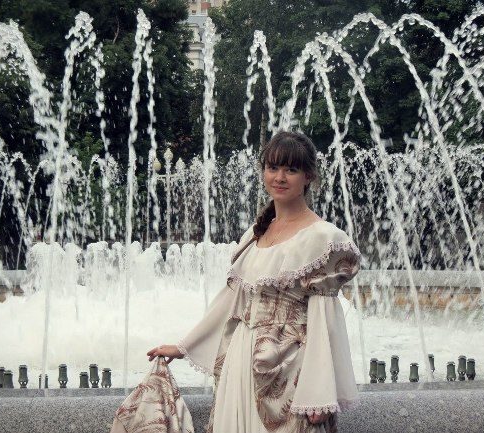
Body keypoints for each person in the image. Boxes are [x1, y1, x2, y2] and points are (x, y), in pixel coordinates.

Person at [114, 131, 361, 433]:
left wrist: (319, 394)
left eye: (291, 169)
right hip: (241, 359)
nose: (279, 177)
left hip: (289, 369)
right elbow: (230, 303)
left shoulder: (325, 239)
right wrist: (182, 347)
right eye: (272, 167)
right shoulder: (255, 235)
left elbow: (326, 321)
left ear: (308, 176)